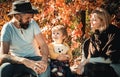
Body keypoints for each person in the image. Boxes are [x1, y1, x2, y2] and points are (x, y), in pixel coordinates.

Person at [0, 0, 50, 77]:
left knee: (44, 71)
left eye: (31, 17)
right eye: (27, 18)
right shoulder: (7, 28)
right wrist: (23, 61)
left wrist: (44, 61)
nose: (30, 20)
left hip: (35, 59)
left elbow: (43, 45)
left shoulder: (32, 23)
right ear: (17, 17)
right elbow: (3, 56)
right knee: (4, 69)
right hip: (17, 61)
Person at [75, 7, 120, 77]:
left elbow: (111, 58)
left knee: (90, 68)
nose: (91, 22)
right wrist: (80, 66)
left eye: (94, 20)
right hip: (94, 67)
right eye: (91, 20)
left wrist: (88, 60)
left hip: (113, 67)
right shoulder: (91, 39)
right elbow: (85, 59)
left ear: (103, 21)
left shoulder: (115, 33)